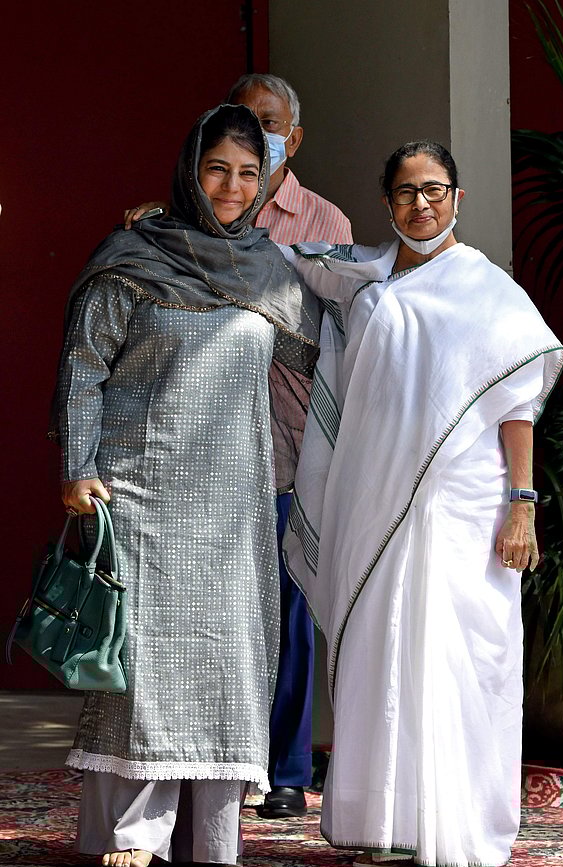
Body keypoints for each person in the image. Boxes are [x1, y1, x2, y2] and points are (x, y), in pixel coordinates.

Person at [280, 141, 563, 867]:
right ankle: (385, 822)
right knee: (382, 651)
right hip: (372, 500)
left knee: (460, 656)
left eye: (434, 190)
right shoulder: (362, 282)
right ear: (387, 203)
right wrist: (165, 221)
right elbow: (269, 255)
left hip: (463, 505)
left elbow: (516, 408)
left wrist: (523, 504)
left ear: (457, 198)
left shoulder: (487, 290)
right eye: (406, 192)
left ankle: (455, 826)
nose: (421, 204)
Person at [55, 104, 319, 867]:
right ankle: (134, 827)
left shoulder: (269, 269)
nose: (232, 187)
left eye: (248, 173)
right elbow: (82, 367)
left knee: (221, 660)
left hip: (235, 498)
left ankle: (207, 833)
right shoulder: (134, 255)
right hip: (141, 489)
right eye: (217, 170)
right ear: (188, 171)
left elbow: (327, 347)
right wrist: (76, 465)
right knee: (150, 661)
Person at [127, 73, 353, 820]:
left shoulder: (323, 220)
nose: (257, 137)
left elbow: (336, 332)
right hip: (196, 444)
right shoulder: (176, 223)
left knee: (286, 607)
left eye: (270, 126)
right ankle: (202, 764)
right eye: (244, 121)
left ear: (294, 138)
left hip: (287, 436)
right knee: (202, 608)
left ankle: (284, 767)